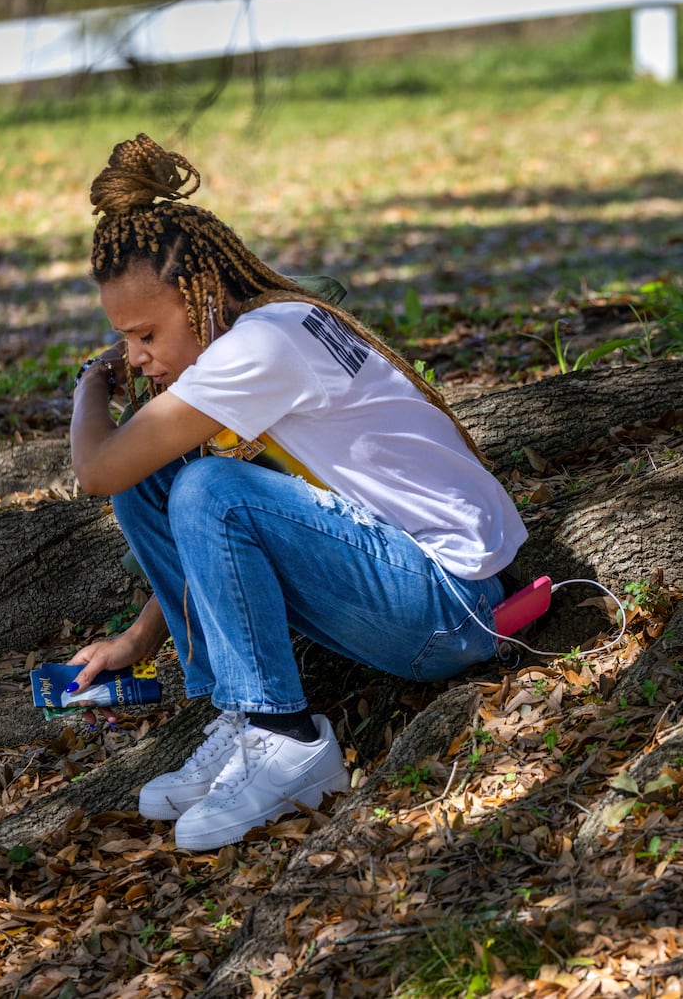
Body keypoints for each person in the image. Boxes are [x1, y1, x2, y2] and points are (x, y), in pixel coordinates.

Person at [66, 133, 526, 852]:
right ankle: (239, 713)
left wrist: (88, 388)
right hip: (411, 575)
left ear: (204, 293)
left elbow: (98, 470)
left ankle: (285, 739)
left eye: (145, 333)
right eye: (122, 343)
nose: (135, 357)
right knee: (165, 482)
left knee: (203, 484)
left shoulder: (258, 351)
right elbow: (202, 522)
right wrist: (138, 636)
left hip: (452, 606)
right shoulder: (266, 326)